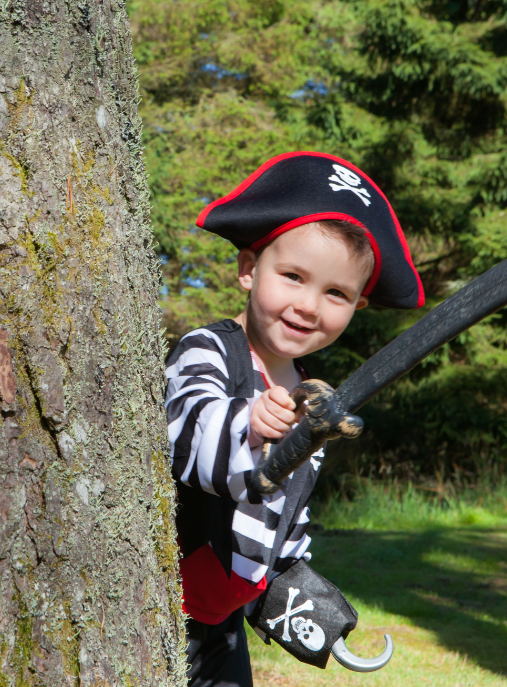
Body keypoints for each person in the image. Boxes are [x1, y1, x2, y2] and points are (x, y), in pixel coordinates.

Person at [165, 152, 425, 686]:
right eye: (293, 276)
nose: (309, 305)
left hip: (225, 625)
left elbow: (284, 523)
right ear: (247, 269)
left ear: (357, 306)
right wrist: (251, 425)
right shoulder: (208, 351)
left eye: (335, 293)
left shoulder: (310, 397)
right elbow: (189, 437)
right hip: (166, 612)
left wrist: (303, 599)